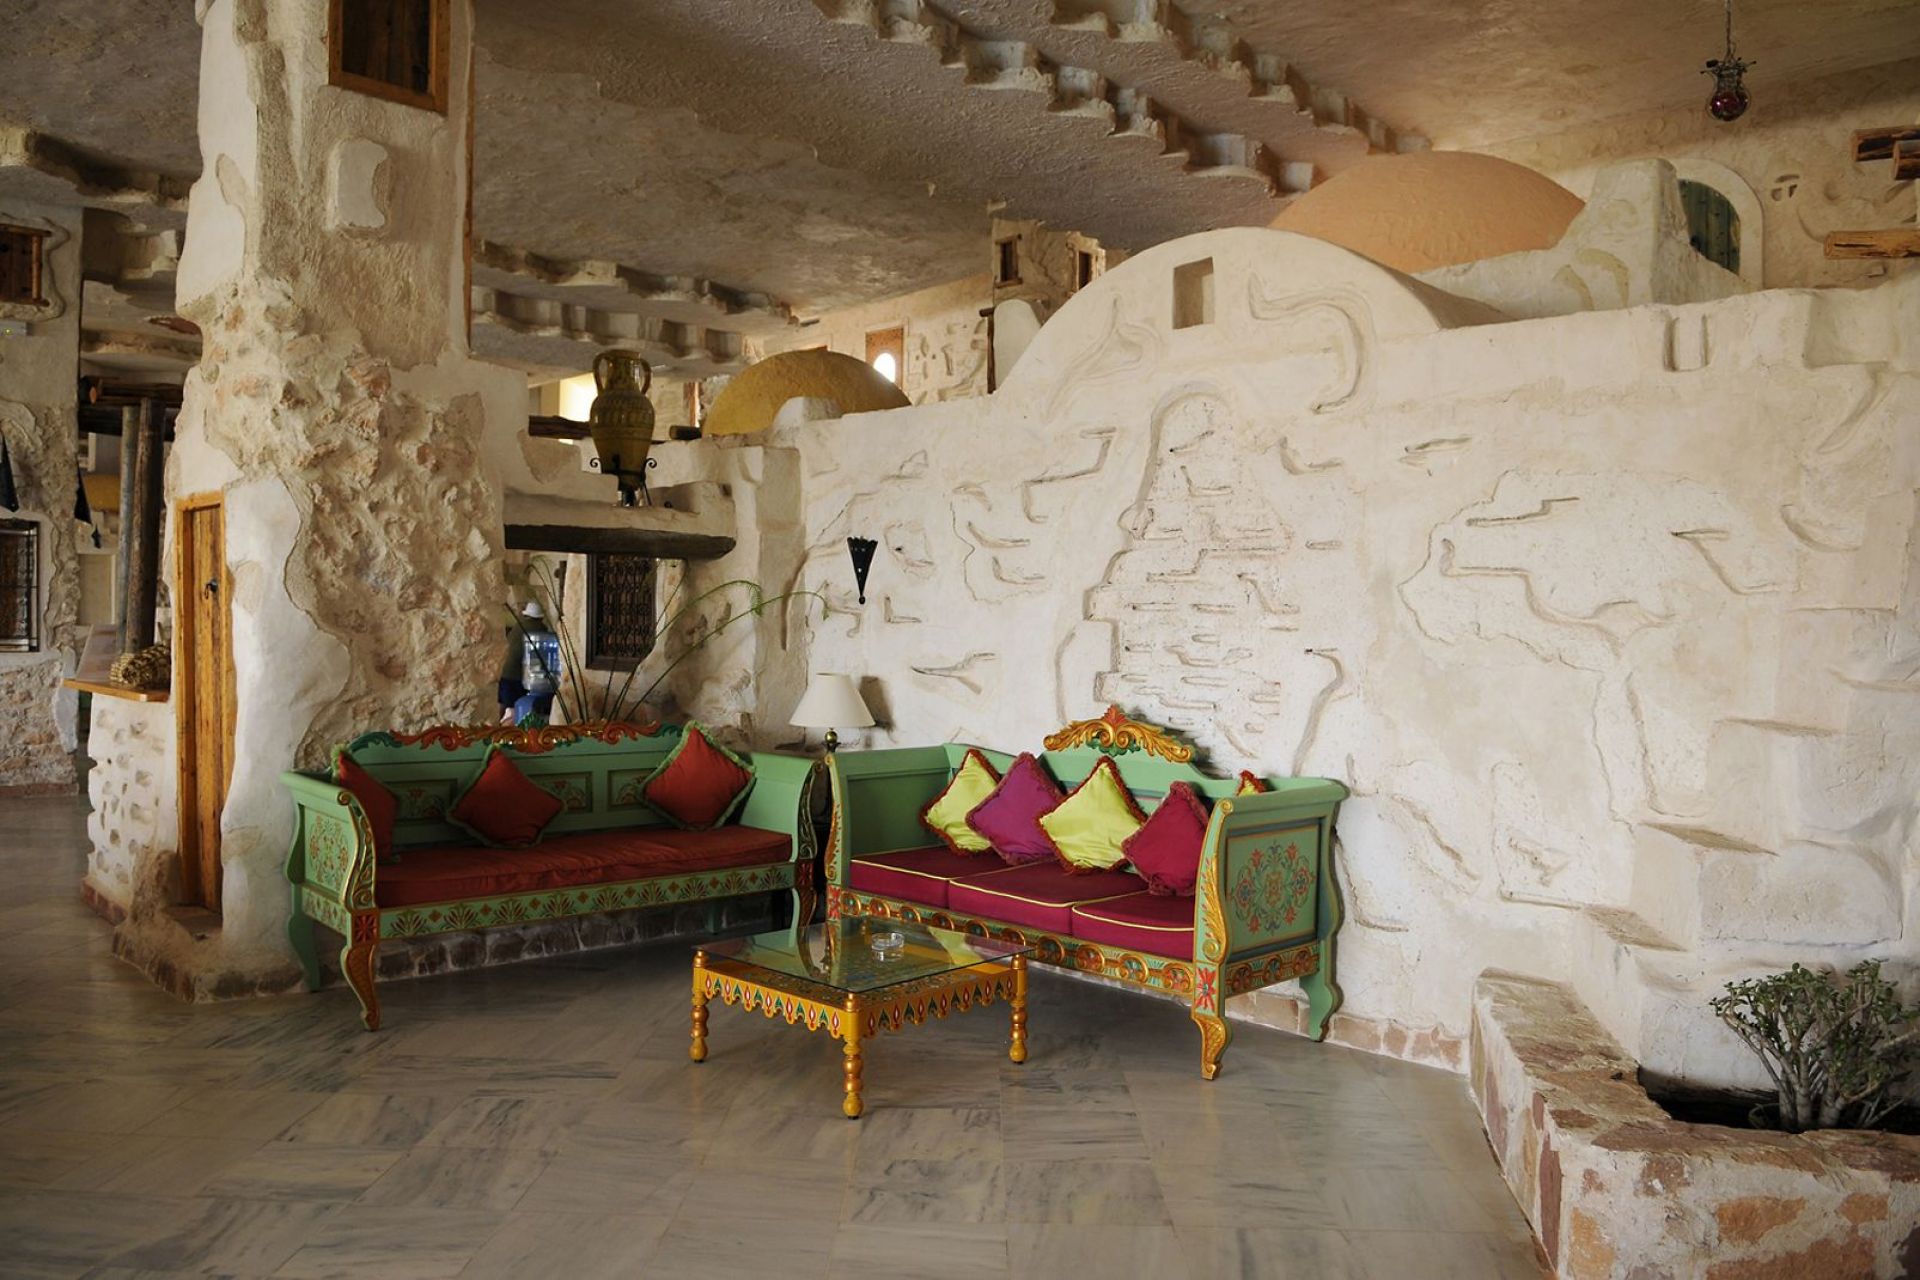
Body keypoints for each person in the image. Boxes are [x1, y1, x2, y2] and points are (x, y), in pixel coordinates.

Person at [497, 601, 563, 725]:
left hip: (504, 671)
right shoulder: (541, 630)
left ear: (526, 615)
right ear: (541, 617)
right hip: (518, 677)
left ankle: (496, 729)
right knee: (516, 711)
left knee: (504, 705)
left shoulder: (518, 626)